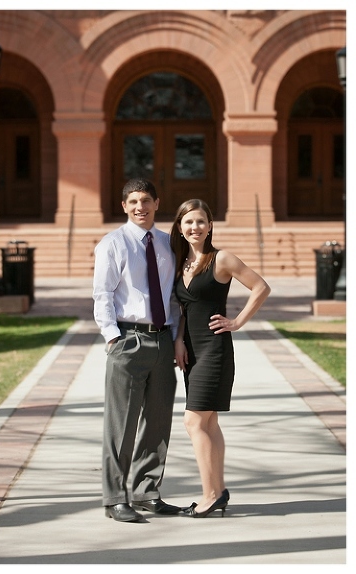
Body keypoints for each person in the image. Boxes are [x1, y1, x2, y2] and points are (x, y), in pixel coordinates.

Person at [170, 199, 270, 518]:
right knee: (209, 422)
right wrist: (178, 341)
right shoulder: (180, 262)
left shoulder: (221, 258)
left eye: (201, 221)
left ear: (210, 226)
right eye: (188, 222)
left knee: (193, 421)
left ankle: (209, 495)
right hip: (191, 349)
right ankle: (219, 490)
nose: (195, 227)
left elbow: (261, 287)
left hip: (214, 349)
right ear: (180, 227)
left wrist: (237, 322)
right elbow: (184, 309)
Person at [92, 178, 182, 523]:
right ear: (124, 206)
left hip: (163, 339)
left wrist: (176, 337)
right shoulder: (113, 244)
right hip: (128, 340)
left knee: (158, 422)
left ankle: (147, 491)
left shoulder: (169, 243)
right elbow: (102, 293)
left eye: (145, 200)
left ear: (157, 203)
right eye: (133, 201)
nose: (140, 207)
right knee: (121, 425)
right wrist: (112, 337)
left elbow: (173, 296)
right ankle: (115, 498)